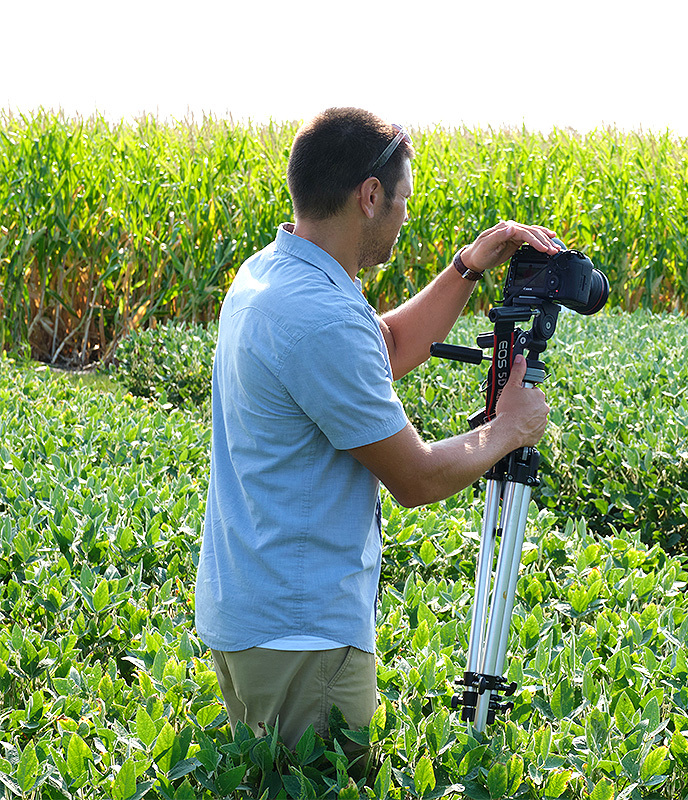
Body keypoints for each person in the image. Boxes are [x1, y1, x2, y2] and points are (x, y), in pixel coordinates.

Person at [195, 107, 558, 748]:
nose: (405, 217)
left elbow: (380, 345)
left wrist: (468, 267)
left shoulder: (270, 276)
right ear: (369, 197)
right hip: (303, 638)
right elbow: (415, 477)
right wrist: (508, 429)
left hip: (254, 615)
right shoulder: (320, 315)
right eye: (403, 202)